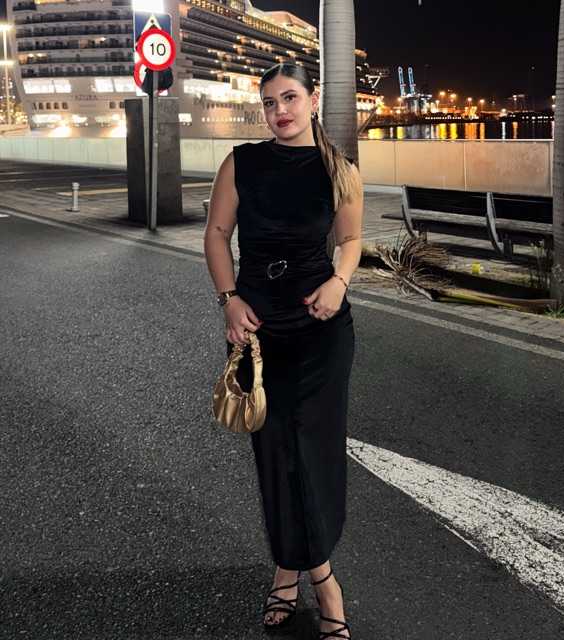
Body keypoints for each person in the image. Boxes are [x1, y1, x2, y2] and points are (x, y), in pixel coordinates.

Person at [203, 61, 363, 640]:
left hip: (322, 330)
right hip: (259, 331)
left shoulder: (338, 168)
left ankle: (299, 572)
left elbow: (351, 239)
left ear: (313, 100)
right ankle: (311, 575)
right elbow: (217, 234)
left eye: (290, 98)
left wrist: (339, 281)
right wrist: (229, 300)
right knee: (275, 455)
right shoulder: (240, 163)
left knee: (313, 454)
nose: (279, 111)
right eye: (269, 102)